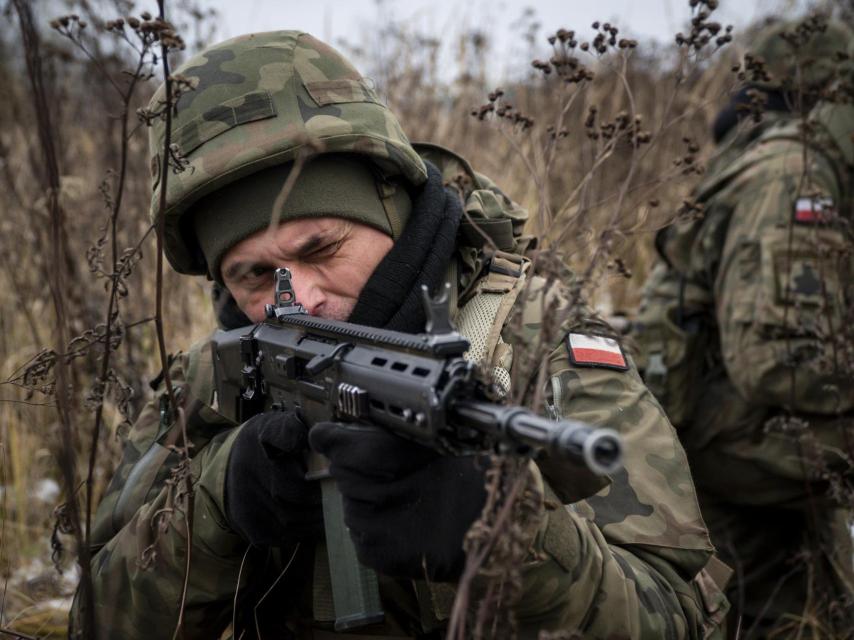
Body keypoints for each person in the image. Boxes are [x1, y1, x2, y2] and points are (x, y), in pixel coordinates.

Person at [70, 31, 729, 639]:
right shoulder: (208, 379)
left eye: (322, 248)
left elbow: (680, 616)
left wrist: (511, 540)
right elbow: (91, 624)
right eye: (255, 274)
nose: (300, 299)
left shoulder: (536, 337)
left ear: (396, 213)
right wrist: (217, 503)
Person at [631, 16, 854, 639]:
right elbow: (778, 361)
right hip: (735, 444)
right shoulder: (794, 173)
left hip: (746, 435)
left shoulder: (790, 159)